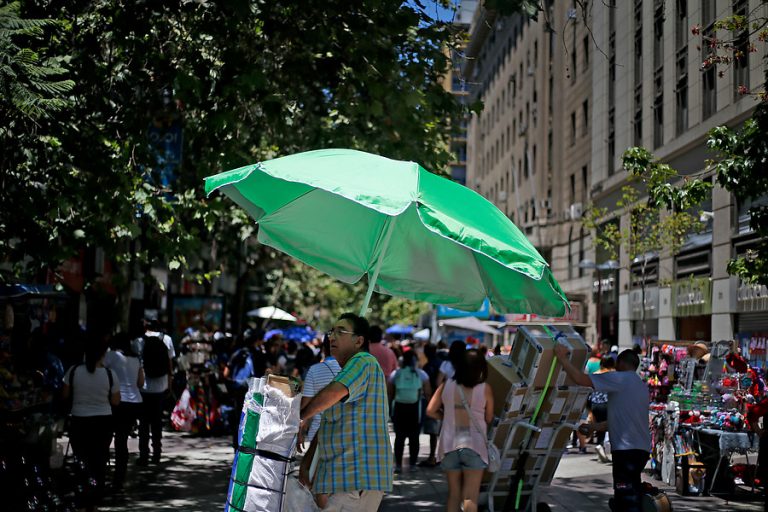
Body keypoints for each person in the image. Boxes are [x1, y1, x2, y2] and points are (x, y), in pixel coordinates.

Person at [298, 313, 392, 511]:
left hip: (355, 477)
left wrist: (299, 417)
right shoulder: (348, 370)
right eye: (332, 331)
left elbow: (332, 393)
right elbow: (328, 423)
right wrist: (306, 463)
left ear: (359, 341)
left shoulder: (363, 361)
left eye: (340, 332)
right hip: (342, 478)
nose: (331, 337)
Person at [555, 345, 650, 512]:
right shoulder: (640, 385)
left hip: (626, 450)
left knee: (626, 497)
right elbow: (623, 420)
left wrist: (562, 358)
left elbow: (580, 379)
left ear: (620, 363)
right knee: (629, 493)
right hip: (640, 450)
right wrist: (595, 427)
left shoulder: (619, 378)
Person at [427, 349, 493, 512]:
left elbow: (430, 410)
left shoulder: (446, 385)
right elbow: (489, 418)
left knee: (453, 494)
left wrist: (446, 416)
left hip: (449, 444)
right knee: (470, 496)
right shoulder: (485, 388)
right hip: (474, 445)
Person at [62, 336, 121, 511]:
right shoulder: (110, 374)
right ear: (103, 354)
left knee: (81, 458)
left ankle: (82, 493)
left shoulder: (72, 372)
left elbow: (64, 396)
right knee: (100, 458)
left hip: (79, 420)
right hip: (103, 421)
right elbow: (116, 401)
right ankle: (97, 494)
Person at [103, 332, 144, 490]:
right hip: (134, 402)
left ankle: (104, 472)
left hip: (116, 401)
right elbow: (140, 383)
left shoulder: (111, 356)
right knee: (122, 440)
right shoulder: (136, 359)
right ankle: (119, 477)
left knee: (106, 437)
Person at [389, 350, 431, 474]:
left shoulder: (396, 374)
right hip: (415, 408)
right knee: (414, 437)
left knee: (399, 437)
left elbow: (390, 392)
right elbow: (427, 392)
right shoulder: (421, 374)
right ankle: (412, 464)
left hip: (399, 408)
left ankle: (398, 465)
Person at [300, 334, 342, 444]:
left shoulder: (314, 370)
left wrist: (299, 432)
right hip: (345, 434)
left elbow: (305, 405)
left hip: (317, 434)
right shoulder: (353, 370)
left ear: (323, 349)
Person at [138, 335, 172, 465]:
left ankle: (143, 455)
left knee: (144, 425)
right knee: (157, 424)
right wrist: (169, 386)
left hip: (145, 390)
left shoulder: (141, 344)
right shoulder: (163, 343)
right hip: (160, 389)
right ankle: (157, 454)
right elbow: (169, 368)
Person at [577, 355, 614, 459]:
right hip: (607, 404)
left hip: (594, 404)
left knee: (597, 426)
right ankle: (603, 445)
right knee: (607, 426)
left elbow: (589, 391)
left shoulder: (594, 375)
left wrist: (589, 408)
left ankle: (600, 445)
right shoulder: (612, 375)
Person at [419, 343, 442, 467]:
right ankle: (438, 456)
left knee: (433, 431)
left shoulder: (428, 366)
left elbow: (427, 386)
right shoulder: (442, 363)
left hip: (433, 399)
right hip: (444, 400)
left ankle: (432, 456)